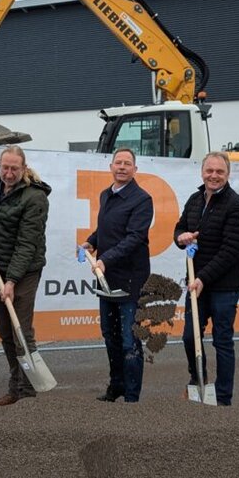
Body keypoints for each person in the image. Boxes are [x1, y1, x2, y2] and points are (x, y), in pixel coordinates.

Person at [0, 146, 52, 407]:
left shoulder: (35, 198)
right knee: (5, 331)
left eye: (14, 168)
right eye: (5, 167)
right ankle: (15, 387)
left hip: (24, 272)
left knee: (20, 331)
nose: (8, 173)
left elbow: (27, 243)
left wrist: (12, 281)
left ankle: (27, 392)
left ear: (24, 168)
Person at [174, 152, 239, 406]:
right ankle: (198, 381)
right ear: (202, 172)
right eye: (210, 171)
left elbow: (230, 251)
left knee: (222, 341)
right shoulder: (195, 200)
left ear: (227, 174)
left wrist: (203, 278)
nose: (213, 176)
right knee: (189, 337)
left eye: (219, 171)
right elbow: (180, 228)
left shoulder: (237, 206)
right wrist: (181, 237)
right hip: (196, 284)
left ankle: (224, 396)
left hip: (224, 287)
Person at [84, 148, 154, 403]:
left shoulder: (142, 200)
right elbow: (104, 228)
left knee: (129, 340)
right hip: (107, 279)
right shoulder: (106, 195)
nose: (122, 167)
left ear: (135, 169)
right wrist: (91, 242)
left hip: (130, 281)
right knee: (110, 336)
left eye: (127, 164)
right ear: (111, 166)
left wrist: (105, 259)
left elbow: (135, 238)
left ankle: (132, 396)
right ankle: (117, 386)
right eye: (118, 163)